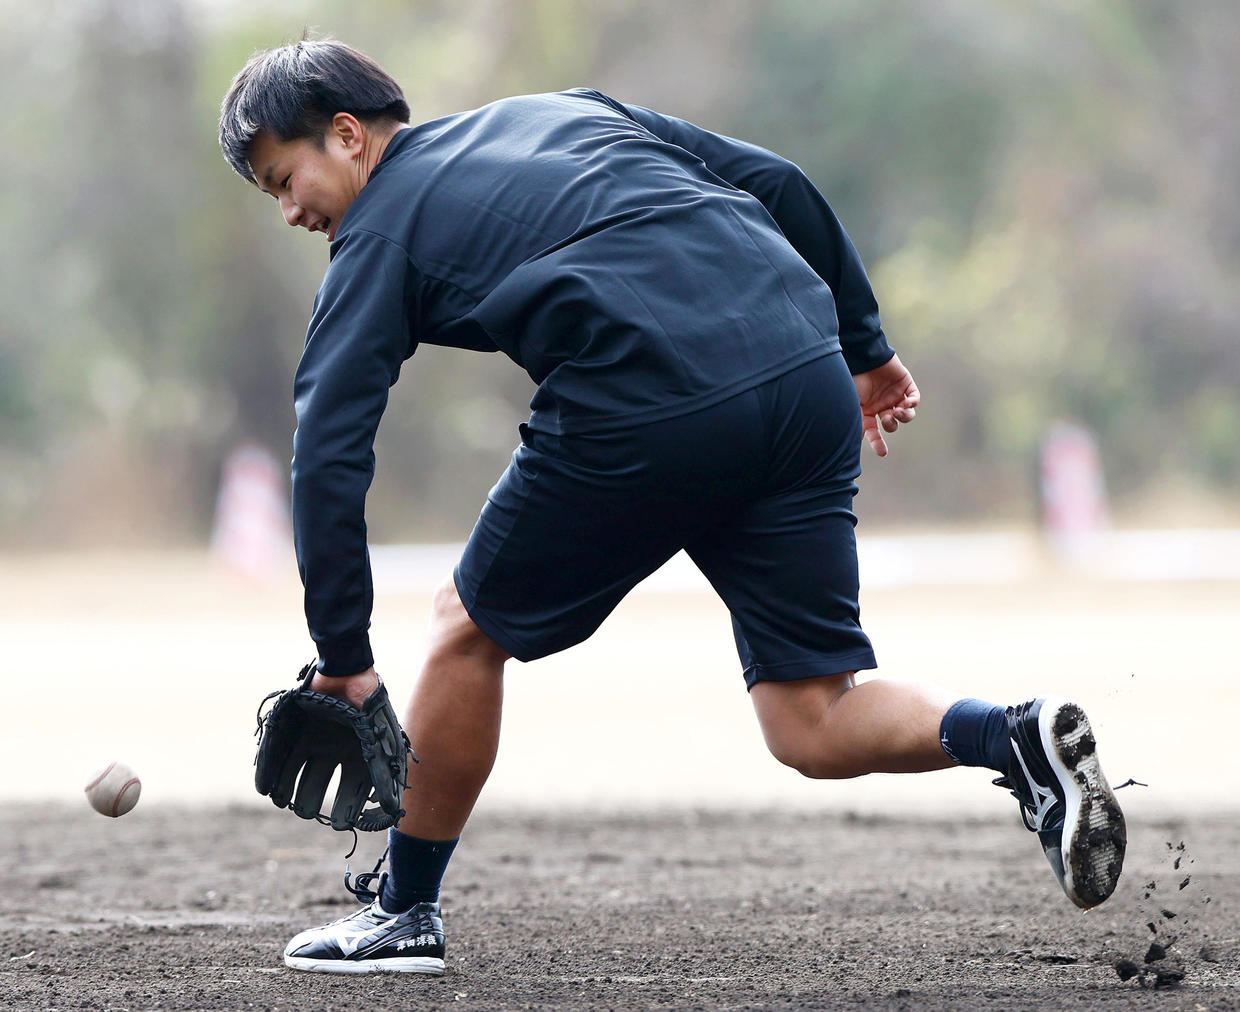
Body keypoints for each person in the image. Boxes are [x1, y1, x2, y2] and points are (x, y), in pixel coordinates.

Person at [218, 40, 1126, 975]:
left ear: (347, 134)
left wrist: (344, 661)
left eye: (287, 179)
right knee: (809, 719)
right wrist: (864, 345)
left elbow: (327, 451)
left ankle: (403, 913)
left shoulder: (379, 231)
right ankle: (1014, 738)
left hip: (648, 395)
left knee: (463, 632)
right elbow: (778, 180)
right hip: (803, 370)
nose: (289, 210)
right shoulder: (563, 110)